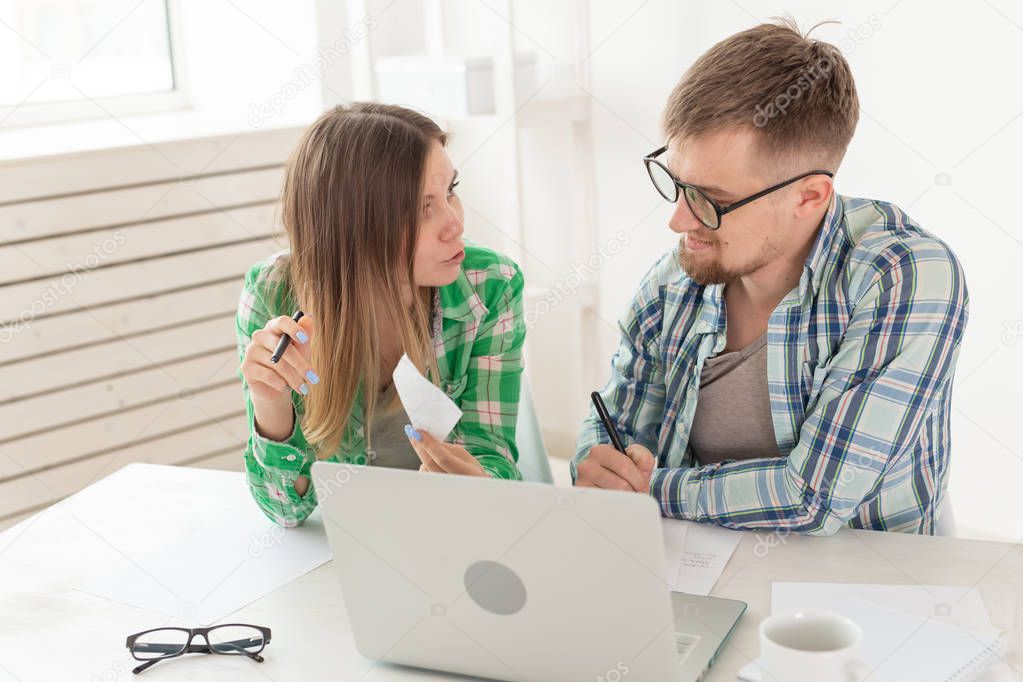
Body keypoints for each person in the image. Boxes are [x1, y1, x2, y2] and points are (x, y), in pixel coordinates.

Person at [573, 19, 969, 535]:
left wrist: (652, 490)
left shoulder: (905, 277)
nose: (679, 221)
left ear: (809, 197)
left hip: (877, 587)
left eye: (713, 201)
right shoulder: (673, 282)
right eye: (677, 184)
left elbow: (813, 500)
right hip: (705, 567)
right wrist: (595, 463)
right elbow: (618, 432)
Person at [236, 103, 525, 528]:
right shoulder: (271, 294)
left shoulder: (491, 286)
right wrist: (270, 403)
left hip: (445, 539)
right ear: (354, 227)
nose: (455, 223)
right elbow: (286, 512)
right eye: (423, 208)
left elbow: (495, 463)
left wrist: (479, 483)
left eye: (451, 192)